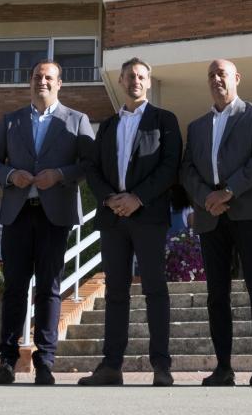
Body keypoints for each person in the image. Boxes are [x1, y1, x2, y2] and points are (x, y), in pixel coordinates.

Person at [0, 60, 95, 385]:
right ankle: (7, 361)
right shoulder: (11, 121)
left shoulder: (77, 120)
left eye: (48, 78)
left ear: (59, 84)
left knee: (50, 288)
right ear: (30, 83)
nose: (41, 82)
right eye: (36, 77)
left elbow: (89, 164)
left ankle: (45, 362)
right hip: (18, 215)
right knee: (14, 289)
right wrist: (10, 175)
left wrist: (60, 174)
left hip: (54, 216)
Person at [78, 57, 182, 387]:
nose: (135, 80)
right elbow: (92, 168)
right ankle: (111, 366)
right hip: (113, 219)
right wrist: (110, 198)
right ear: (121, 82)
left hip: (148, 215)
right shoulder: (107, 126)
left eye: (141, 76)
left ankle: (161, 366)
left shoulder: (164, 120)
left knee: (155, 290)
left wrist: (137, 197)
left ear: (148, 82)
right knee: (116, 294)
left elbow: (170, 166)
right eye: (129, 76)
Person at [181, 59, 252, 387]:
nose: (215, 79)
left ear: (236, 78)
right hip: (212, 220)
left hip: (249, 214)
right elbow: (187, 170)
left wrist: (228, 191)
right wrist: (208, 197)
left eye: (221, 73)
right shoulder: (196, 126)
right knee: (216, 295)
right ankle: (223, 367)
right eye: (211, 75)